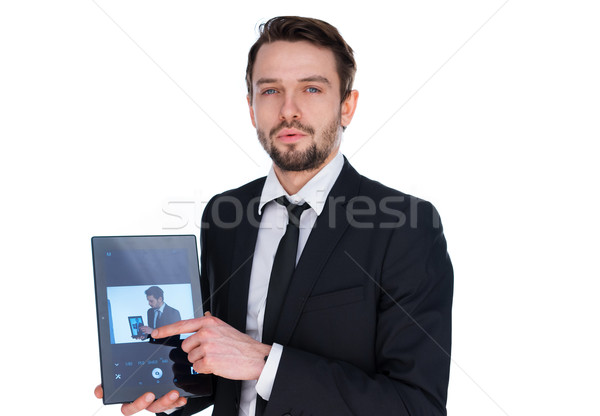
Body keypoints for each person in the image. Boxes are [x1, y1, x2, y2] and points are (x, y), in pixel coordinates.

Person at [95, 15, 453, 416]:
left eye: (312, 89)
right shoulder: (224, 214)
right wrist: (174, 390)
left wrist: (265, 364)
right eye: (270, 91)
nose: (289, 110)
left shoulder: (405, 225)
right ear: (251, 107)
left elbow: (415, 406)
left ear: (347, 106)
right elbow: (221, 372)